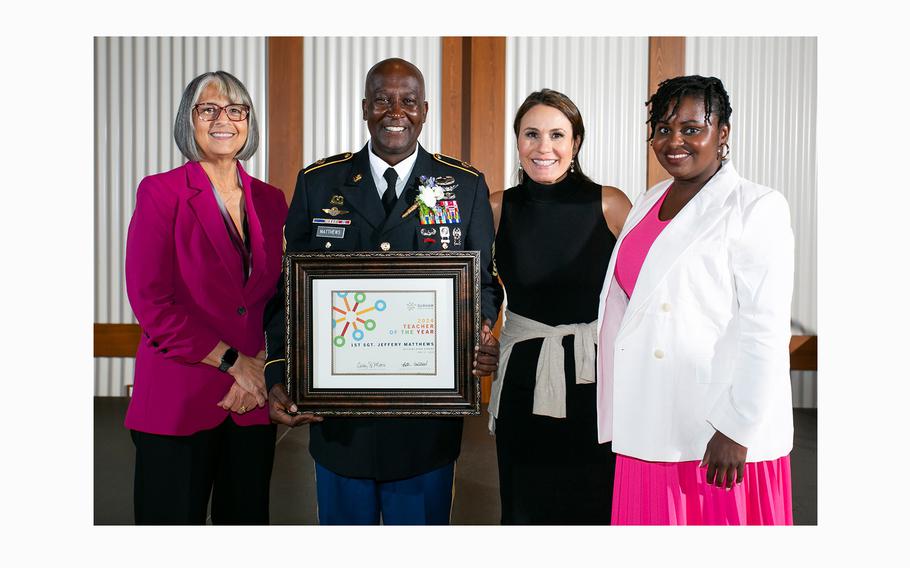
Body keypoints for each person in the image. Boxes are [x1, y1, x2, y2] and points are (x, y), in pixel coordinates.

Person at [263, 57, 503, 525]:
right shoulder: (319, 182)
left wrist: (479, 332)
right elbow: (286, 290)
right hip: (339, 424)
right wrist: (279, 372)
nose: (396, 111)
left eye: (408, 101)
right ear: (364, 108)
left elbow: (485, 285)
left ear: (425, 109)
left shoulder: (465, 185)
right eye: (382, 100)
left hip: (424, 424)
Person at [596, 75, 794, 525]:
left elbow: (765, 331)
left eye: (691, 128)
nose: (675, 142)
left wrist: (736, 427)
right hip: (648, 414)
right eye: (663, 129)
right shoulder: (648, 201)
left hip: (712, 430)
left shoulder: (756, 206)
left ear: (722, 133)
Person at [123, 71, 287, 524]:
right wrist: (238, 364)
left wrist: (260, 365)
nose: (224, 120)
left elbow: (285, 298)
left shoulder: (272, 200)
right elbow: (152, 302)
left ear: (248, 122)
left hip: (251, 404)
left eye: (236, 110)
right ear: (187, 121)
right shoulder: (161, 193)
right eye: (208, 109)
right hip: (179, 399)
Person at [487, 89, 631, 524]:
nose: (543, 147)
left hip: (595, 380)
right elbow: (471, 287)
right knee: (524, 508)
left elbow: (646, 293)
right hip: (521, 385)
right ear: (517, 141)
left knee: (593, 507)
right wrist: (477, 338)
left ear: (576, 143)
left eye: (556, 134)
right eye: (531, 134)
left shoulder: (610, 203)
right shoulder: (497, 207)